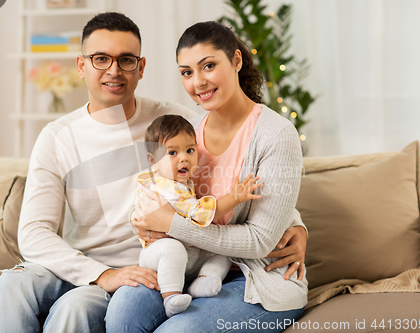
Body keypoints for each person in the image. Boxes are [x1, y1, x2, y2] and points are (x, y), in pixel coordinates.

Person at [0, 12, 307, 333]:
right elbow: (34, 233)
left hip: (151, 264)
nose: (114, 70)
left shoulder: (173, 122)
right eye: (100, 59)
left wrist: (296, 225)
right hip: (85, 265)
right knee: (9, 287)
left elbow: (236, 174)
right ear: (81, 66)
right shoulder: (57, 136)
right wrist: (99, 274)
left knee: (74, 310)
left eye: (126, 60)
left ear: (141, 68)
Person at [107, 21, 308, 333]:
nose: (197, 82)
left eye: (209, 66)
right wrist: (142, 217)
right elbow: (160, 191)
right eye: (187, 72)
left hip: (255, 276)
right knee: (123, 312)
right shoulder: (188, 132)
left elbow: (259, 240)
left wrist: (170, 224)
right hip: (188, 266)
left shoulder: (276, 135)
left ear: (236, 61)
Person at [136, 114, 262, 318]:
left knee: (222, 253)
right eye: (172, 152)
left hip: (189, 253)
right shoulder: (167, 188)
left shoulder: (176, 181)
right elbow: (201, 213)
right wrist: (234, 198)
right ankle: (171, 297)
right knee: (173, 248)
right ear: (153, 161)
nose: (184, 158)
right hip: (158, 254)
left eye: (190, 150)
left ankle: (202, 281)